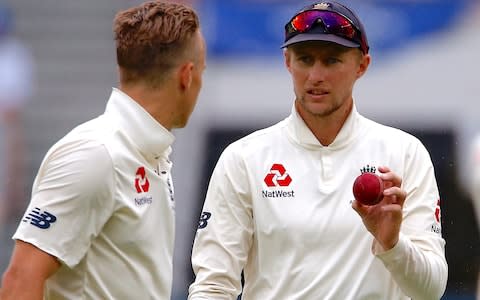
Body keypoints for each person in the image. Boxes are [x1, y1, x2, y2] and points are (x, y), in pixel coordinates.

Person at [188, 1, 447, 299]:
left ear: (362, 66)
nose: (315, 76)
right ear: (287, 62)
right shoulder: (244, 159)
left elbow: (431, 290)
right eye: (305, 59)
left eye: (332, 60)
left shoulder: (405, 153)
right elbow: (212, 287)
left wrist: (392, 245)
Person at [0, 1, 206, 299]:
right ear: (187, 76)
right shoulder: (96, 154)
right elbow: (21, 279)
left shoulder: (150, 153)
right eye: (203, 70)